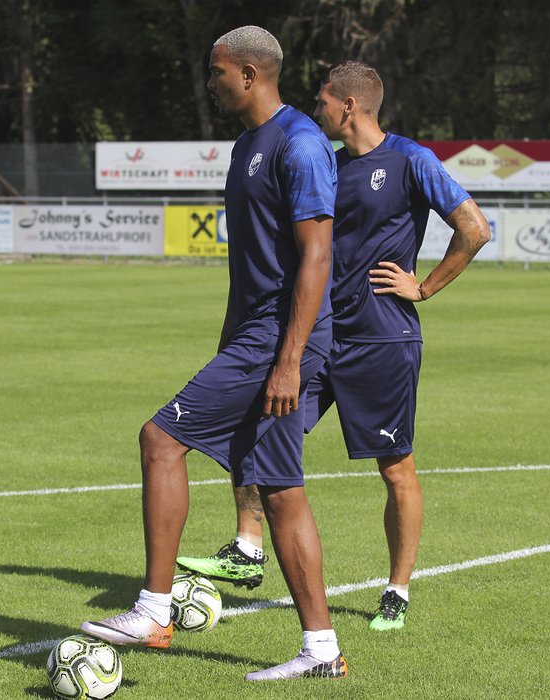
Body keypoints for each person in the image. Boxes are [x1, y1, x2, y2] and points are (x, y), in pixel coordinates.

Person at [176, 61, 491, 632]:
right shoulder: (324, 164)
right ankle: (247, 549)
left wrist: (423, 287)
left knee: (395, 469)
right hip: (321, 335)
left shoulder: (410, 159)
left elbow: (474, 227)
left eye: (322, 100)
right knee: (257, 428)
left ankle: (397, 589)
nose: (315, 107)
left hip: (382, 339)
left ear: (349, 106)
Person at [80, 26, 348, 682]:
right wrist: (233, 340)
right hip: (256, 337)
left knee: (160, 439)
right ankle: (321, 650)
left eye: (218, 71)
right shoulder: (247, 145)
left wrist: (287, 360)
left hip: (281, 341)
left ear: (252, 75)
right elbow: (252, 264)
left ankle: (153, 610)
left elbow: (318, 253)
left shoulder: (301, 143)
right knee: (282, 491)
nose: (212, 81)